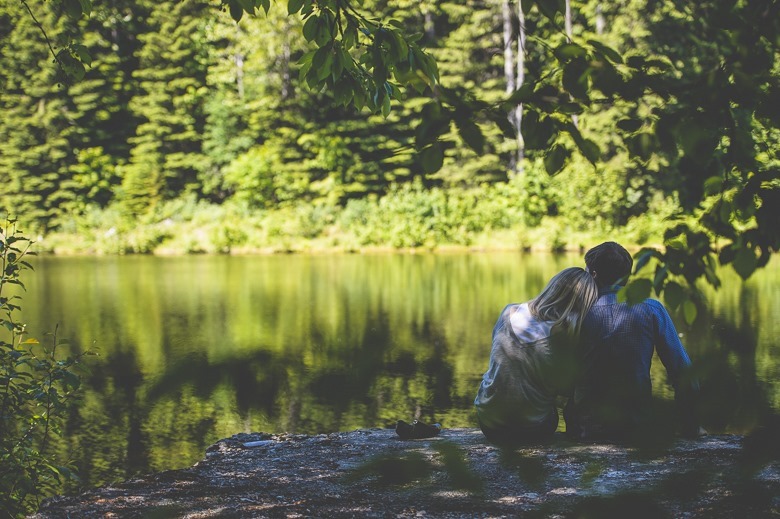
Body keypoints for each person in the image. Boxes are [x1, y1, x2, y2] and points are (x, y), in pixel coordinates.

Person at [564, 242, 701, 441]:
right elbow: (683, 372)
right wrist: (691, 426)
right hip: (636, 428)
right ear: (627, 278)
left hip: (584, 430)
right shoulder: (651, 309)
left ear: (592, 275)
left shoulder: (574, 312)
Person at [474, 267, 598, 444]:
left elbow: (498, 360)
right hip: (532, 429)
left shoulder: (509, 312)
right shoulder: (564, 335)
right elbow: (567, 389)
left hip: (489, 423)